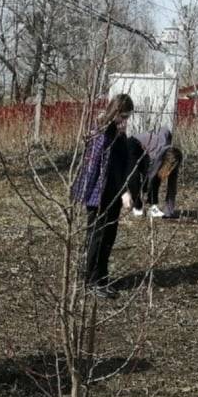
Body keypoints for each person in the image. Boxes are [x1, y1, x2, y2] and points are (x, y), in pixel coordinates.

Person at [71, 93, 134, 298]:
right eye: (123, 116)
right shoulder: (102, 133)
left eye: (127, 117)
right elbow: (93, 166)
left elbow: (122, 166)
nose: (125, 121)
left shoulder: (118, 134)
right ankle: (92, 281)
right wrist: (86, 194)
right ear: (115, 111)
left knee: (108, 236)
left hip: (113, 192)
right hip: (100, 195)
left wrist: (124, 190)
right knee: (97, 238)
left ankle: (102, 276)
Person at [124, 126, 182, 218]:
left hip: (147, 150)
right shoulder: (158, 153)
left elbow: (172, 187)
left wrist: (168, 212)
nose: (169, 172)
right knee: (133, 178)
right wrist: (144, 188)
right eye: (168, 168)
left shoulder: (174, 160)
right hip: (133, 145)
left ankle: (153, 207)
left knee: (157, 177)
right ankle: (137, 206)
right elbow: (150, 175)